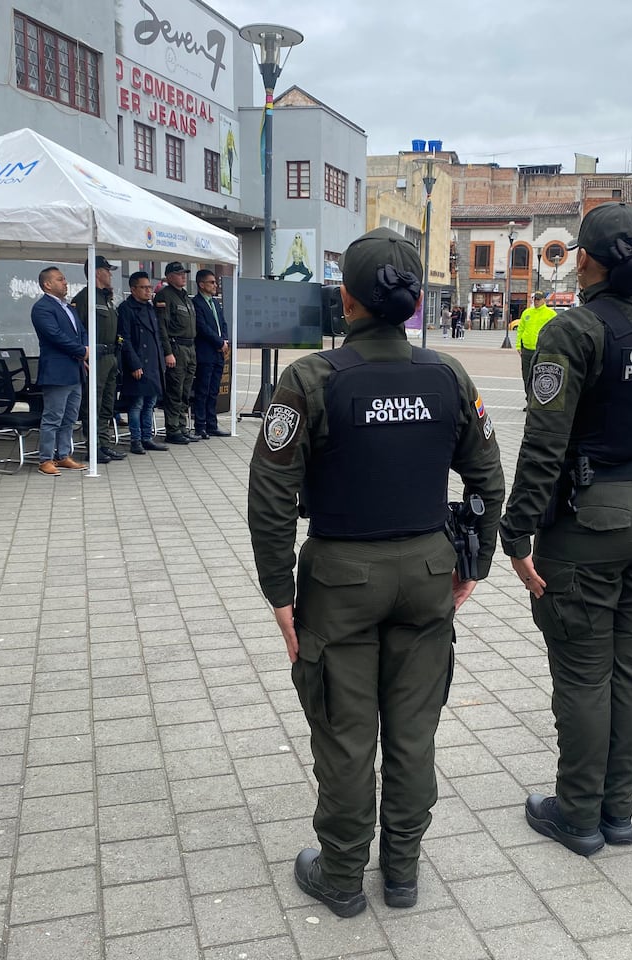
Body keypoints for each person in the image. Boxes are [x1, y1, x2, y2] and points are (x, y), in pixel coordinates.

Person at [247, 227, 504, 916]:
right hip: (426, 571)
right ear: (417, 301)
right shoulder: (448, 375)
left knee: (345, 734)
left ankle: (339, 875)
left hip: (340, 581)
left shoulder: (311, 378)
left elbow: (271, 496)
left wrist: (278, 592)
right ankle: (402, 872)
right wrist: (472, 562)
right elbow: (487, 476)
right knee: (414, 732)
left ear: (345, 300)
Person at [499, 203, 632, 856]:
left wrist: (516, 532)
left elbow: (544, 443)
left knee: (585, 675)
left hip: (588, 525)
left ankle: (579, 814)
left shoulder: (574, 331)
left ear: (585, 260)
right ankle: (618, 813)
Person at [30, 266, 88, 476]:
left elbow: (81, 332)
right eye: (60, 279)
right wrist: (82, 351)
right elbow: (55, 336)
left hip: (74, 370)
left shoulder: (69, 308)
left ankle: (63, 455)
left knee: (70, 417)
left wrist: (84, 350)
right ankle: (46, 459)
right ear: (47, 284)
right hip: (57, 371)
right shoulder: (42, 308)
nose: (65, 283)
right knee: (53, 416)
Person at [71, 256, 127, 463]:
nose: (110, 274)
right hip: (96, 357)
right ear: (97, 272)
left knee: (107, 405)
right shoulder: (85, 298)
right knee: (92, 404)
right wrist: (80, 356)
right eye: (107, 270)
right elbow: (77, 330)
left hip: (110, 356)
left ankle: (105, 444)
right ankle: (93, 447)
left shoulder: (105, 298)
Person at [117, 270, 167, 453]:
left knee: (150, 404)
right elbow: (125, 339)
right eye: (144, 287)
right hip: (138, 364)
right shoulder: (126, 309)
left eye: (149, 287)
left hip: (153, 364)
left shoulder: (150, 308)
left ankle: (147, 437)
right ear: (133, 289)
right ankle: (136, 439)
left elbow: (158, 336)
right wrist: (134, 364)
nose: (148, 291)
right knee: (137, 404)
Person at [155, 261, 198, 445]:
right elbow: (162, 327)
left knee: (185, 391)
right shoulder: (165, 296)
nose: (184, 276)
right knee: (175, 389)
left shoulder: (185, 297)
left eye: (184, 273)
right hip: (176, 347)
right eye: (180, 274)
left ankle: (181, 426)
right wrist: (168, 352)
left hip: (190, 347)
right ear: (169, 276)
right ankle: (172, 429)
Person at [192, 269, 230, 438]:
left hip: (218, 353)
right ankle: (200, 426)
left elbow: (222, 323)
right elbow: (202, 327)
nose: (215, 285)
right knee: (203, 390)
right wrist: (219, 341)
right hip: (206, 352)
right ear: (201, 284)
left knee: (214, 390)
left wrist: (225, 340)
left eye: (215, 282)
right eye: (211, 282)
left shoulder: (215, 303)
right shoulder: (196, 303)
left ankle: (212, 424)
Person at [516, 291, 555, 394]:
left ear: (543, 300)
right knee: (526, 376)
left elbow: (555, 332)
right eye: (535, 299)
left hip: (541, 350)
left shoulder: (550, 314)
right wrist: (519, 346)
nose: (536, 301)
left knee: (540, 376)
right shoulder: (527, 312)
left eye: (538, 299)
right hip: (526, 350)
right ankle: (528, 399)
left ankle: (536, 400)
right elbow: (520, 330)